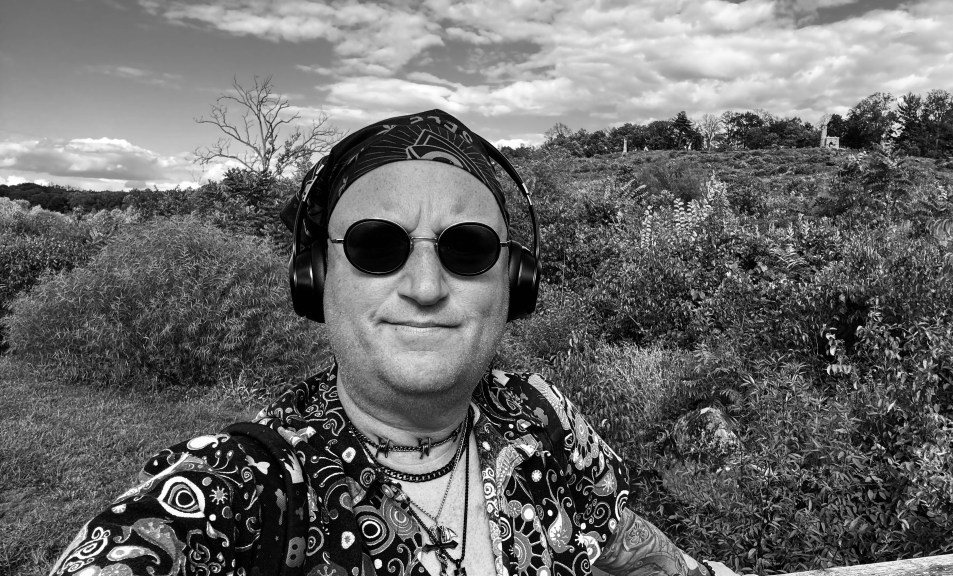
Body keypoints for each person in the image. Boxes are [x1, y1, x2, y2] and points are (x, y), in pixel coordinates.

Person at [49, 110, 738, 576]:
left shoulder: (542, 416)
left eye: (467, 250)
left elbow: (618, 538)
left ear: (514, 287)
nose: (427, 285)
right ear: (315, 280)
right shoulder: (237, 492)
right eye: (378, 247)